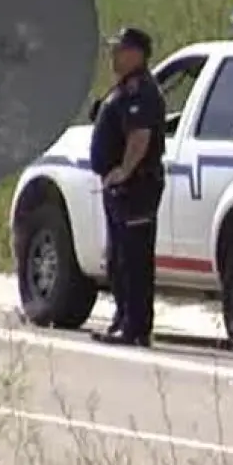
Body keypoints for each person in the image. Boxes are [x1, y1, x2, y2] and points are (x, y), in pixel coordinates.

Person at [88, 27, 167, 348]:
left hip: (136, 186)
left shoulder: (141, 91)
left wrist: (123, 171)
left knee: (134, 259)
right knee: (118, 257)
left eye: (119, 50)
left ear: (136, 54)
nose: (113, 55)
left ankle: (135, 326)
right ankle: (122, 319)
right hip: (119, 188)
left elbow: (139, 136)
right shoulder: (123, 88)